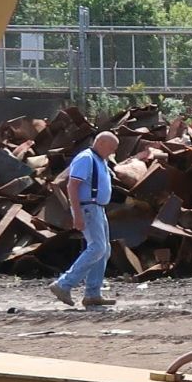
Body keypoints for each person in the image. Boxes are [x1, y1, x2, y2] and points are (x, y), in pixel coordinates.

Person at [52, 130, 119, 308]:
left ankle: (92, 294)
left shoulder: (100, 160)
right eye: (112, 148)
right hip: (88, 208)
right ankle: (63, 284)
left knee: (103, 251)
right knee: (97, 247)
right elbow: (72, 186)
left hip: (98, 209)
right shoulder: (86, 158)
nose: (113, 152)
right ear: (102, 144)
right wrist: (77, 214)